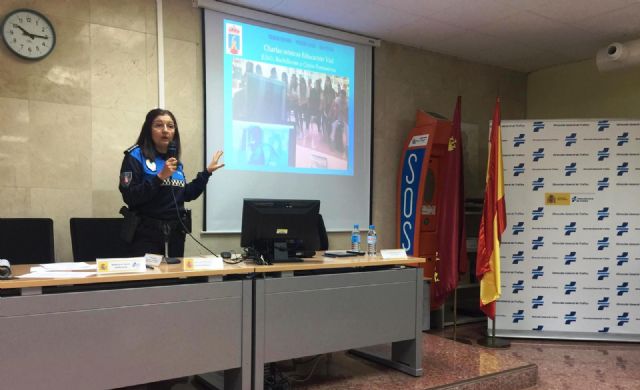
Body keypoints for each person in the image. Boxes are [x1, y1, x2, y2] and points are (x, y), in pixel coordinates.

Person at [119, 108, 224, 258]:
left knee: (175, 279)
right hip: (145, 235)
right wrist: (160, 176)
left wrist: (206, 173)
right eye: (158, 125)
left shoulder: (175, 162)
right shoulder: (135, 156)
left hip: (175, 235)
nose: (165, 130)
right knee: (150, 281)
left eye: (170, 126)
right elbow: (130, 196)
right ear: (148, 129)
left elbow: (185, 195)